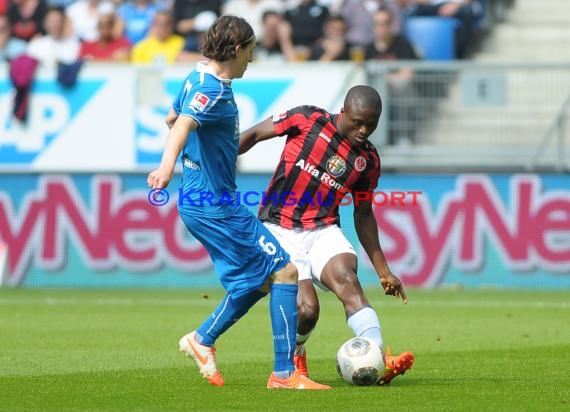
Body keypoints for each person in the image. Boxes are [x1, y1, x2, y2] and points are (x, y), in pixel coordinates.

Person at [146, 15, 330, 390]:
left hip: (204, 198)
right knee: (285, 272)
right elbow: (180, 125)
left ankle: (202, 339)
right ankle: (283, 374)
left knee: (262, 280)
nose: (252, 57)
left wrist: (201, 153)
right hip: (214, 202)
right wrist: (167, 168)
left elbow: (171, 116)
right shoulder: (212, 89)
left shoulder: (197, 76)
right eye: (250, 49)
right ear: (235, 49)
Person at [239, 85, 415, 385]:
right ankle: (295, 356)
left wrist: (384, 271)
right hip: (279, 227)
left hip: (323, 229)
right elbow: (253, 135)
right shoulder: (306, 120)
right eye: (358, 121)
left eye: (371, 124)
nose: (364, 130)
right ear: (343, 112)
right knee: (307, 311)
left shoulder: (368, 160)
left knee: (348, 279)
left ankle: (376, 355)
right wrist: (213, 161)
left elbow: (363, 213)